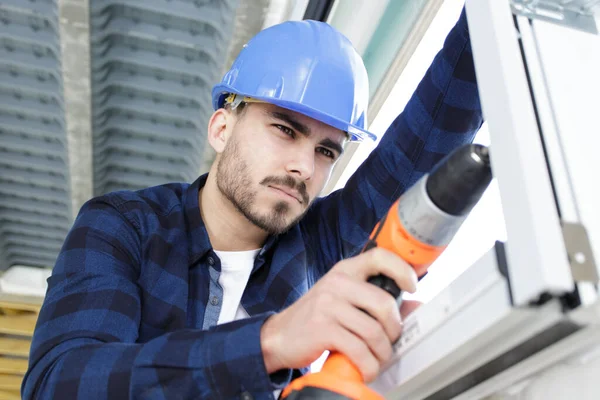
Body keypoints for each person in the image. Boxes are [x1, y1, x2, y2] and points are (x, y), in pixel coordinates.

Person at [22, 7, 482, 400]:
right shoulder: (124, 226)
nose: (304, 166)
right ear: (221, 128)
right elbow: (59, 381)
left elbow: (435, 129)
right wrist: (269, 343)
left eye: (326, 151)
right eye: (285, 129)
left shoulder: (320, 245)